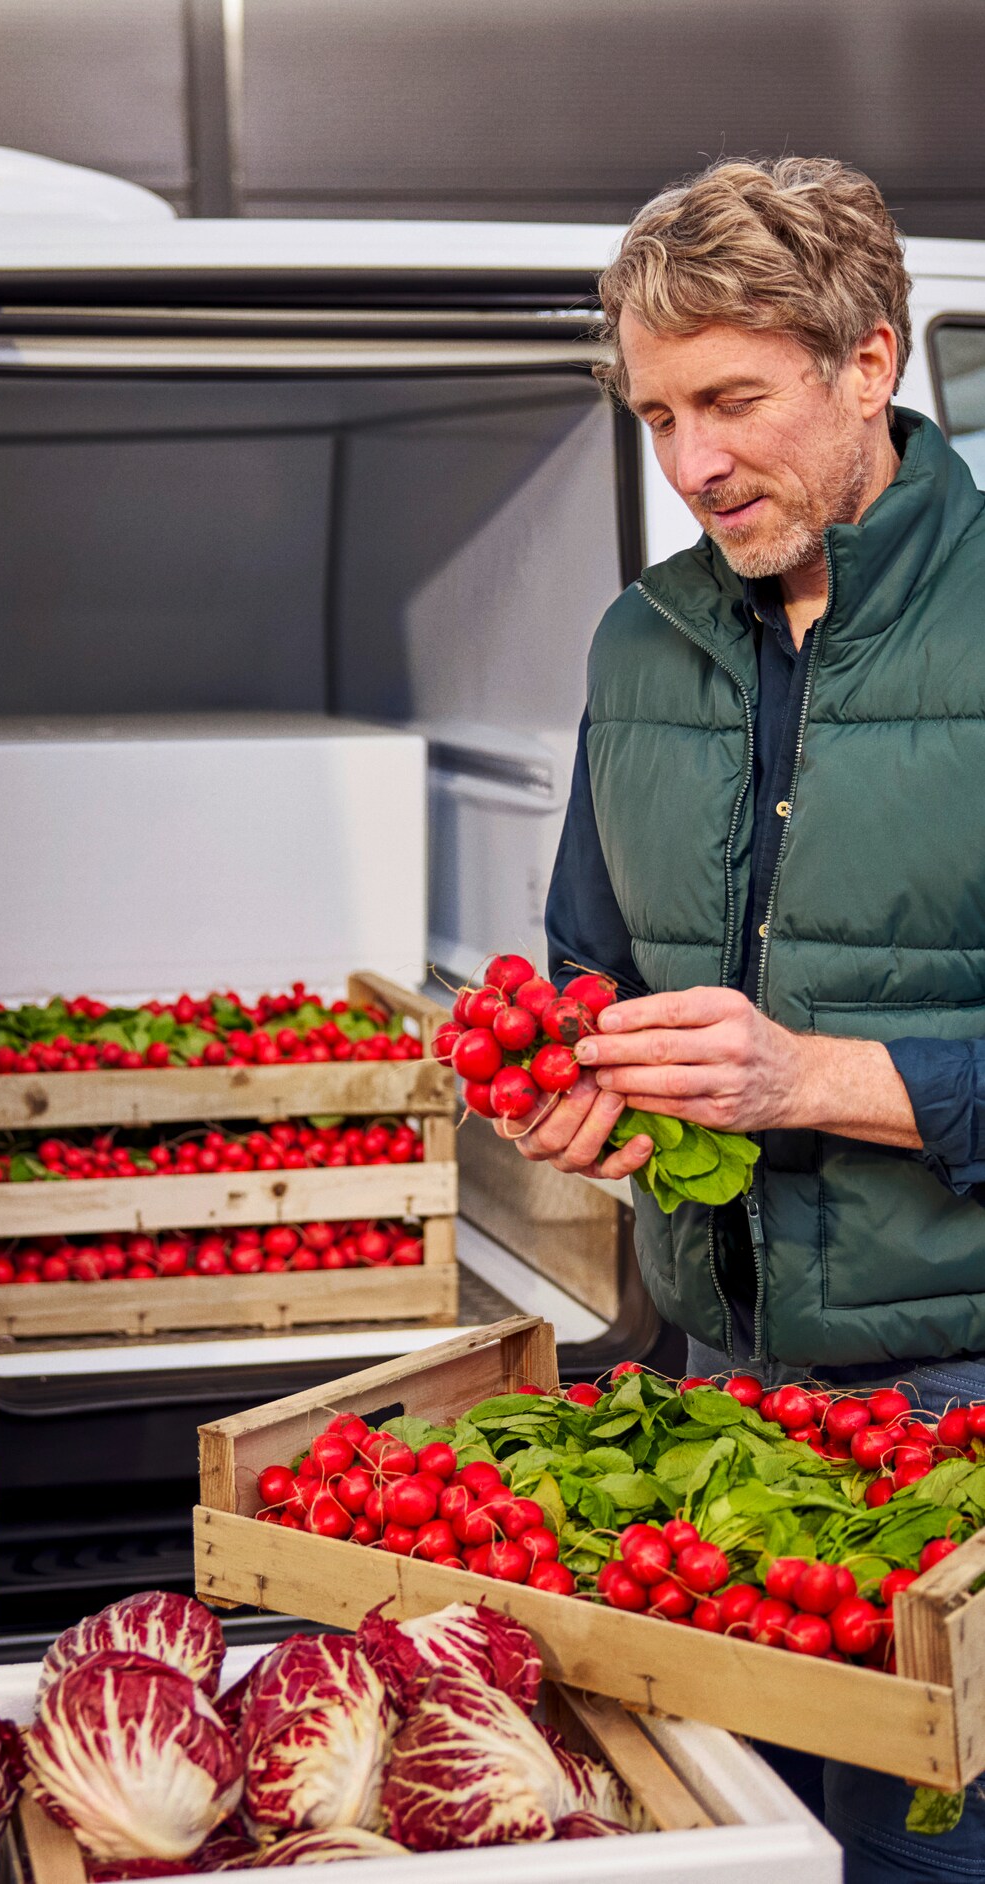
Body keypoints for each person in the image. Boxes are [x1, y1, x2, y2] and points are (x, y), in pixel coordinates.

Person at [506, 155, 985, 1879]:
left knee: (933, 1854)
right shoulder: (640, 647)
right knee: (746, 1846)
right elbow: (587, 963)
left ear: (871, 363)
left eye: (733, 400)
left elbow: (796, 1066)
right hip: (715, 1404)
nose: (692, 463)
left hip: (958, 1413)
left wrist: (821, 1077)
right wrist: (573, 1078)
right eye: (654, 414)